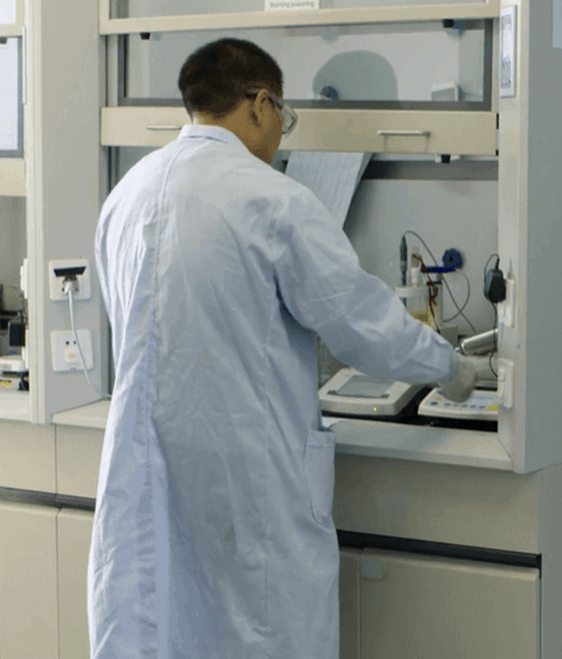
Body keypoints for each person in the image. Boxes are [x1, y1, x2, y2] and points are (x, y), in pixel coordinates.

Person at [88, 37, 478, 659]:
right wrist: (451, 367)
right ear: (261, 104)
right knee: (259, 634)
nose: (280, 135)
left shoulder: (125, 196)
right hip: (246, 478)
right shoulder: (273, 200)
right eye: (283, 118)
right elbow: (361, 323)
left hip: (148, 467)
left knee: (158, 625)